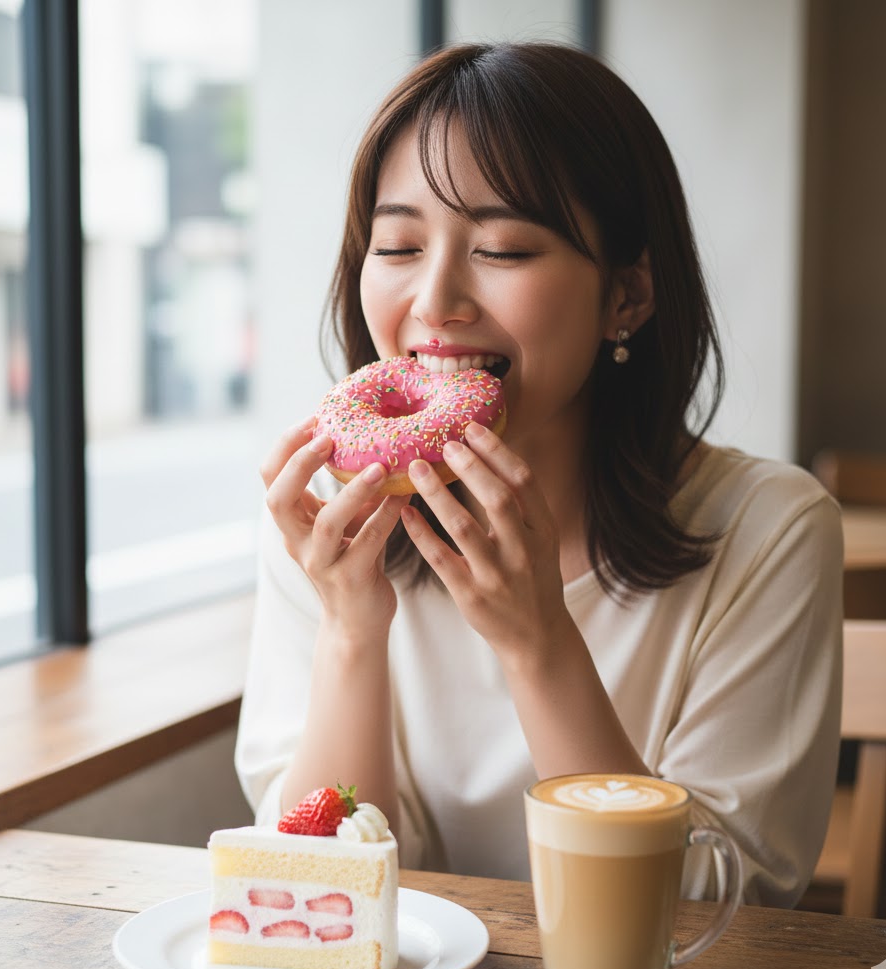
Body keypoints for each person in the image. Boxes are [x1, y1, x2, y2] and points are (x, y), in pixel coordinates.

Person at [236, 41, 843, 907]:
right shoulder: (322, 527)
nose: (435, 301)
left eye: (506, 250)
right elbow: (317, 895)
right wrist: (350, 631)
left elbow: (712, 910)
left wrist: (538, 643)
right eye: (399, 245)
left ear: (626, 297)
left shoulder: (769, 530)